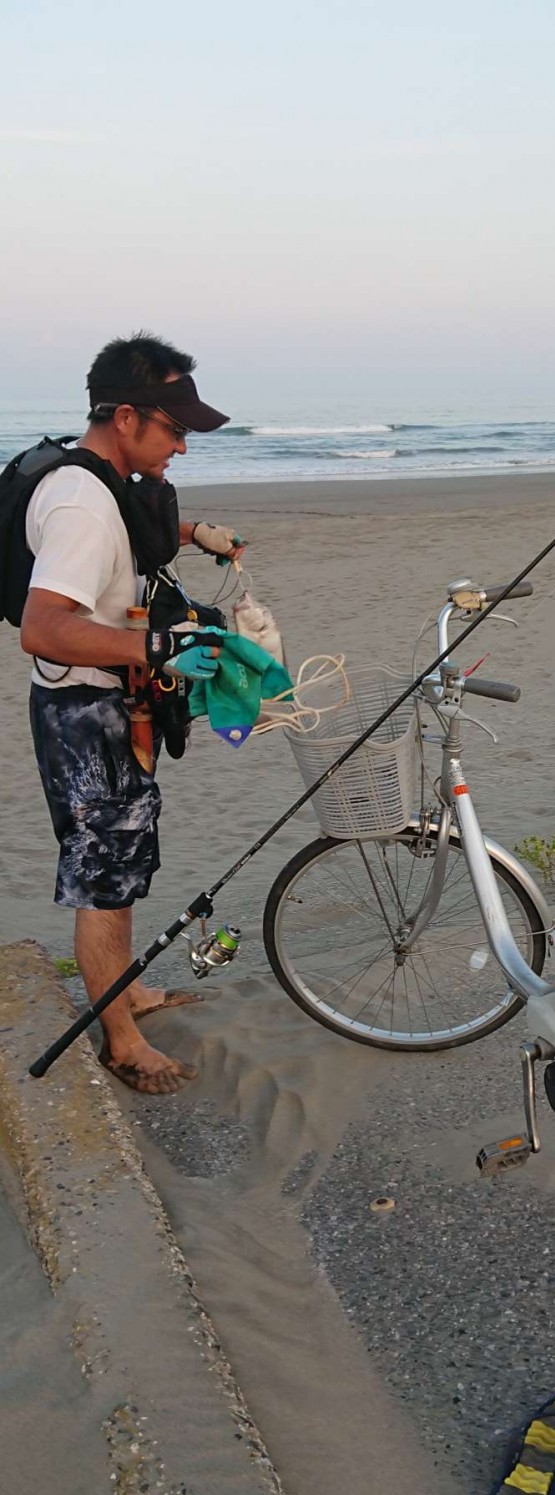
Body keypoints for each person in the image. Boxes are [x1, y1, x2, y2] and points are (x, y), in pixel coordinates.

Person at [20, 332, 246, 1095]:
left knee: (123, 858)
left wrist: (191, 533)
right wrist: (154, 646)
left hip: (111, 702)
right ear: (126, 417)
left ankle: (129, 995)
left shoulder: (102, 479)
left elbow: (124, 540)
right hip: (85, 713)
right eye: (174, 429)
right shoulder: (81, 500)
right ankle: (120, 1041)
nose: (183, 446)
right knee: (102, 879)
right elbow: (42, 625)